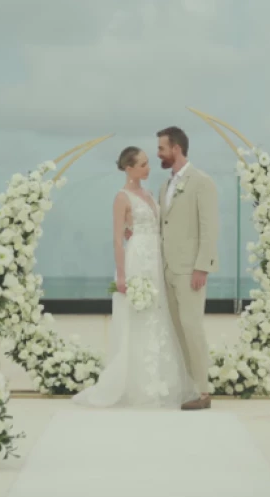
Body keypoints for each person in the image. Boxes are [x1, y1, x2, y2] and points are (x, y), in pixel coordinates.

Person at [71, 146, 196, 409]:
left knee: (158, 315)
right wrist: (122, 275)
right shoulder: (121, 197)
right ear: (128, 168)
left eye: (148, 163)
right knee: (139, 316)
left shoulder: (150, 194)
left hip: (156, 257)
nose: (147, 169)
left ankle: (163, 382)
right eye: (142, 165)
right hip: (138, 259)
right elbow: (117, 239)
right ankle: (138, 385)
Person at [156, 126, 217, 410]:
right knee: (178, 330)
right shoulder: (164, 186)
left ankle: (204, 392)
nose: (159, 154)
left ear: (176, 149)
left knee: (193, 328)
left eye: (162, 149)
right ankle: (188, 387)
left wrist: (202, 267)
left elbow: (209, 228)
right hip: (167, 269)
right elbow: (163, 225)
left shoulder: (201, 182)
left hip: (190, 270)